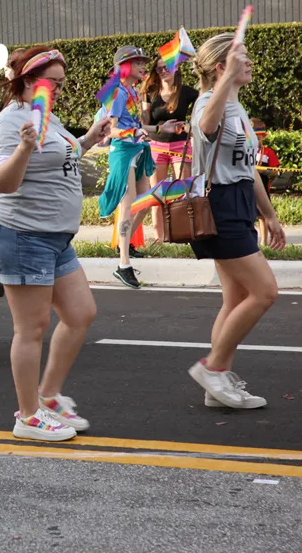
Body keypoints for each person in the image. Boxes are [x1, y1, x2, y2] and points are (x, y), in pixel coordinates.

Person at [0, 47, 111, 441]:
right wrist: (23, 148)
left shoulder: (47, 117)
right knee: (31, 329)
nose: (57, 89)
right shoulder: (11, 122)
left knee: (80, 313)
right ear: (27, 81)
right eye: (51, 82)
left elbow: (59, 158)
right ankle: (28, 416)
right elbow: (1, 181)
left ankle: (49, 396)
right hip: (21, 234)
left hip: (54, 236)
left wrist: (88, 139)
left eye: (60, 83)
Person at [187, 34, 286, 409]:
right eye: (241, 58)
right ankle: (213, 369)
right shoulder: (207, 105)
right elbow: (206, 127)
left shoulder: (237, 107)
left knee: (236, 299)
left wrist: (269, 214)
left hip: (240, 203)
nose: (250, 63)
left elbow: (248, 169)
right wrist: (225, 82)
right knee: (265, 292)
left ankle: (217, 385)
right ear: (221, 67)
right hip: (220, 207)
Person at [97, 46, 156, 289]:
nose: (143, 66)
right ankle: (124, 264)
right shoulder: (117, 92)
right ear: (124, 66)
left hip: (137, 149)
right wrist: (133, 132)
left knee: (145, 202)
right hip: (122, 152)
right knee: (129, 204)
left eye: (143, 62)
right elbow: (109, 130)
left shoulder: (132, 90)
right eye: (137, 62)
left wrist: (162, 129)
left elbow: (135, 125)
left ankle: (124, 245)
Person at [141, 57, 199, 242]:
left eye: (167, 67)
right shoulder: (150, 92)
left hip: (181, 146)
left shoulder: (189, 92)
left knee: (183, 191)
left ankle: (182, 233)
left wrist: (189, 126)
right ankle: (160, 237)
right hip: (156, 145)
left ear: (176, 67)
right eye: (159, 69)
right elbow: (144, 122)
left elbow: (198, 118)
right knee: (157, 192)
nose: (163, 71)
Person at [252, 118, 280, 246]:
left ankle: (264, 242)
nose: (256, 140)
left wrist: (264, 171)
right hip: (246, 187)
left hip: (262, 187)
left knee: (262, 216)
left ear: (263, 137)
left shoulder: (268, 152)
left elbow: (275, 170)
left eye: (258, 138)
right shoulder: (245, 151)